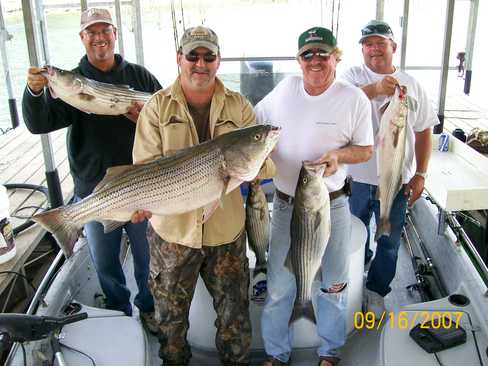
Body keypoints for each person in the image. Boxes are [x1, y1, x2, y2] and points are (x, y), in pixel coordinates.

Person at [130, 26, 275, 366]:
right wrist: (141, 204)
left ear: (218, 61)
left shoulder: (239, 106)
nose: (200, 63)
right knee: (170, 320)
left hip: (226, 234)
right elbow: (143, 166)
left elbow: (263, 164)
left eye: (209, 56)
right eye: (193, 55)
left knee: (235, 318)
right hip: (172, 236)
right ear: (179, 58)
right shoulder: (156, 107)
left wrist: (255, 166)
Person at [22, 8, 161, 331]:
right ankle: (118, 312)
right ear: (82, 38)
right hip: (94, 188)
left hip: (144, 185)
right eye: (91, 32)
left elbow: (166, 121)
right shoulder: (69, 82)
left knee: (147, 257)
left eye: (105, 31)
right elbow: (38, 123)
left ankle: (149, 307)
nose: (99, 38)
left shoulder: (140, 77)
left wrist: (144, 118)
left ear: (115, 34)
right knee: (105, 262)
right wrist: (35, 92)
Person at [255, 27, 373, 366]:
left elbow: (365, 150)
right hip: (283, 204)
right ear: (298, 60)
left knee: (333, 284)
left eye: (323, 53)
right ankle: (277, 353)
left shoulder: (353, 99)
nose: (315, 60)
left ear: (337, 56)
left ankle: (329, 352)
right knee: (279, 285)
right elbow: (254, 122)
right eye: (307, 54)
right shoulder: (285, 90)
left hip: (331, 205)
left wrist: (339, 157)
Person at [341, 20, 439, 317]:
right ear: (362, 49)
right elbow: (340, 105)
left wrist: (421, 174)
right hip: (356, 178)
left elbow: (424, 132)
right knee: (353, 235)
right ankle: (353, 276)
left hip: (397, 181)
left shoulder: (413, 84)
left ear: (393, 47)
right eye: (368, 43)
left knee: (390, 243)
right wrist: (373, 88)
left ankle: (376, 291)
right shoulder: (351, 77)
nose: (373, 49)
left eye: (380, 43)